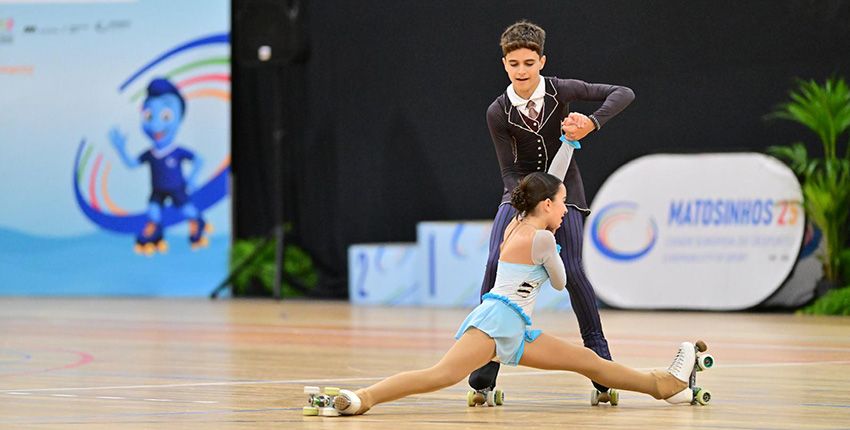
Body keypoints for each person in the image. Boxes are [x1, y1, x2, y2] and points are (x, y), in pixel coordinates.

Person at [323, 173, 700, 416]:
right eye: (563, 202)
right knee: (440, 374)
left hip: (516, 327)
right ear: (547, 204)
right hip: (497, 322)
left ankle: (664, 385)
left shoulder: (517, 225)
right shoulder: (541, 238)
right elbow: (559, 282)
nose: (567, 211)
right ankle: (363, 398)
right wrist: (556, 253)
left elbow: (541, 202)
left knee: (589, 362)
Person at [471, 20, 635, 401]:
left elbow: (623, 92)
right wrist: (527, 202)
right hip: (520, 197)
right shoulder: (498, 112)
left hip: (566, 194)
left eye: (529, 62)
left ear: (542, 61)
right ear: (504, 64)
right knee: (495, 267)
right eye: (514, 64)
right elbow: (509, 170)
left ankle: (602, 372)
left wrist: (591, 123)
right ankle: (483, 376)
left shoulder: (561, 90)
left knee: (574, 272)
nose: (522, 71)